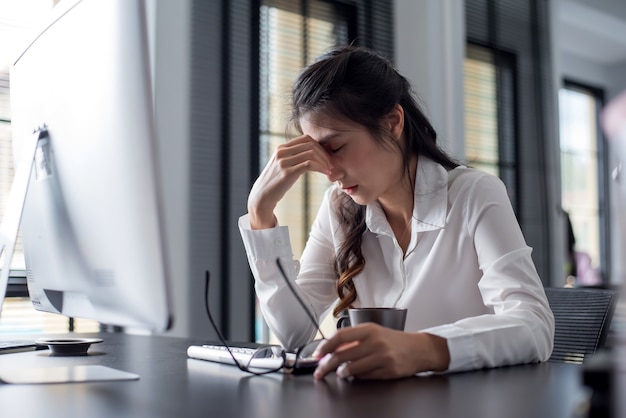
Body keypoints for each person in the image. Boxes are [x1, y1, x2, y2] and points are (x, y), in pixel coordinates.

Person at [239, 45, 554, 380]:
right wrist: (260, 213)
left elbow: (533, 324)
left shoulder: (474, 194)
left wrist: (423, 349)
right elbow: (293, 332)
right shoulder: (339, 208)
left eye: (336, 147)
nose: (328, 172)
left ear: (392, 121)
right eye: (317, 152)